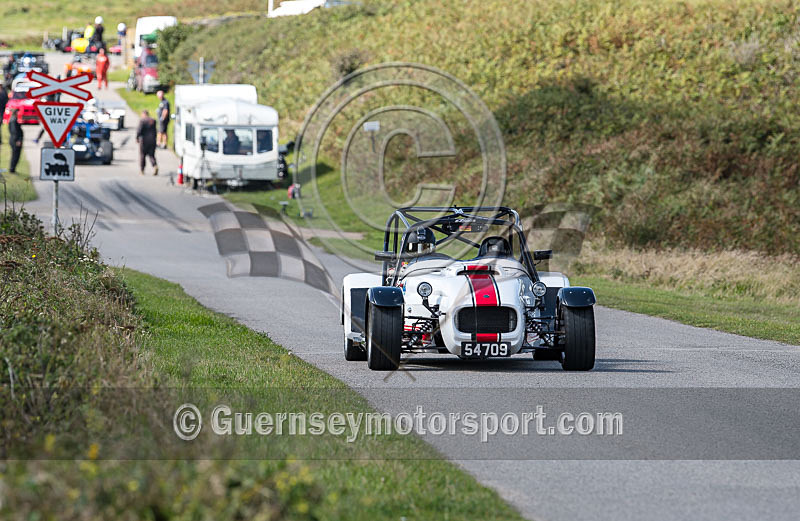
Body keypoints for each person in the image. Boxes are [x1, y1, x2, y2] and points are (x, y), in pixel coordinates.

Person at [136, 110, 158, 176]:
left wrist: (137, 138)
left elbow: (139, 130)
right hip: (152, 140)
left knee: (142, 155)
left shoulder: (142, 121)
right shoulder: (153, 120)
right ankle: (155, 166)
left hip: (144, 140)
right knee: (151, 155)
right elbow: (155, 131)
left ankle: (142, 170)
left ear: (143, 114)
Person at [8, 109, 23, 173]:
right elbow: (15, 132)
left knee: (15, 155)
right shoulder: (13, 120)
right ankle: (12, 169)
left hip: (13, 139)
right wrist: (18, 140)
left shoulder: (12, 120)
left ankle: (12, 168)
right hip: (15, 141)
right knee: (15, 155)